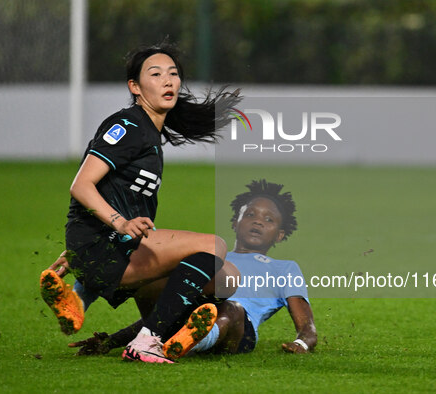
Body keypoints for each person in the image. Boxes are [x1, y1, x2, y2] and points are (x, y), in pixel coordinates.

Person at [39, 41, 241, 364]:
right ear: (134, 86)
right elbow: (81, 185)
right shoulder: (128, 126)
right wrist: (116, 225)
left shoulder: (147, 132)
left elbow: (118, 195)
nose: (168, 81)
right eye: (156, 74)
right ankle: (149, 339)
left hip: (114, 244)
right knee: (215, 245)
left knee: (228, 277)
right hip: (107, 244)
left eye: (173, 74)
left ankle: (89, 299)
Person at [68, 180, 317, 358]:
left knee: (231, 308)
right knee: (153, 269)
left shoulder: (284, 268)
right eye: (250, 214)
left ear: (280, 235)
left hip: (239, 330)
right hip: (192, 311)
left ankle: (189, 343)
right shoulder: (208, 259)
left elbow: (307, 328)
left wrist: (302, 343)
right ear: (235, 222)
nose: (258, 221)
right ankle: (169, 339)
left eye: (269, 220)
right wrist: (112, 341)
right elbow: (174, 302)